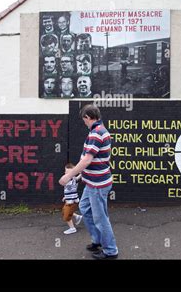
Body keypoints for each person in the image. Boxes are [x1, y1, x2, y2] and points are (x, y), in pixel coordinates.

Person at [59, 104, 118, 259]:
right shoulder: (99, 131)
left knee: (100, 218)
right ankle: (98, 241)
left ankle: (111, 251)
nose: (84, 122)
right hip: (92, 182)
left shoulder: (96, 134)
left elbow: (86, 160)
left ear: (87, 117)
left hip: (97, 184)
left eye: (84, 119)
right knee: (85, 207)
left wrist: (68, 176)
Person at [61, 163, 83, 234]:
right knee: (65, 211)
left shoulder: (70, 179)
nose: (66, 173)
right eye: (65, 171)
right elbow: (69, 190)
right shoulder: (74, 179)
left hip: (71, 202)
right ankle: (77, 217)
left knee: (66, 216)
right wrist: (65, 197)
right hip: (69, 200)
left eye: (68, 172)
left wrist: (79, 171)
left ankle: (72, 228)